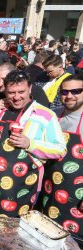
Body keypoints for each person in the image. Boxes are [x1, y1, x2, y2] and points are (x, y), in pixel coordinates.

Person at [0, 70, 67, 216]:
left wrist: (30, 144)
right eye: (11, 93)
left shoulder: (45, 115)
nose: (17, 97)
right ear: (5, 91)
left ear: (30, 89)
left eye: (21, 91)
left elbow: (60, 149)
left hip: (20, 191)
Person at [41, 74, 83, 237]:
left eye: (76, 91)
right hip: (50, 190)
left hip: (76, 194)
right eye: (64, 92)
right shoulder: (53, 114)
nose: (69, 96)